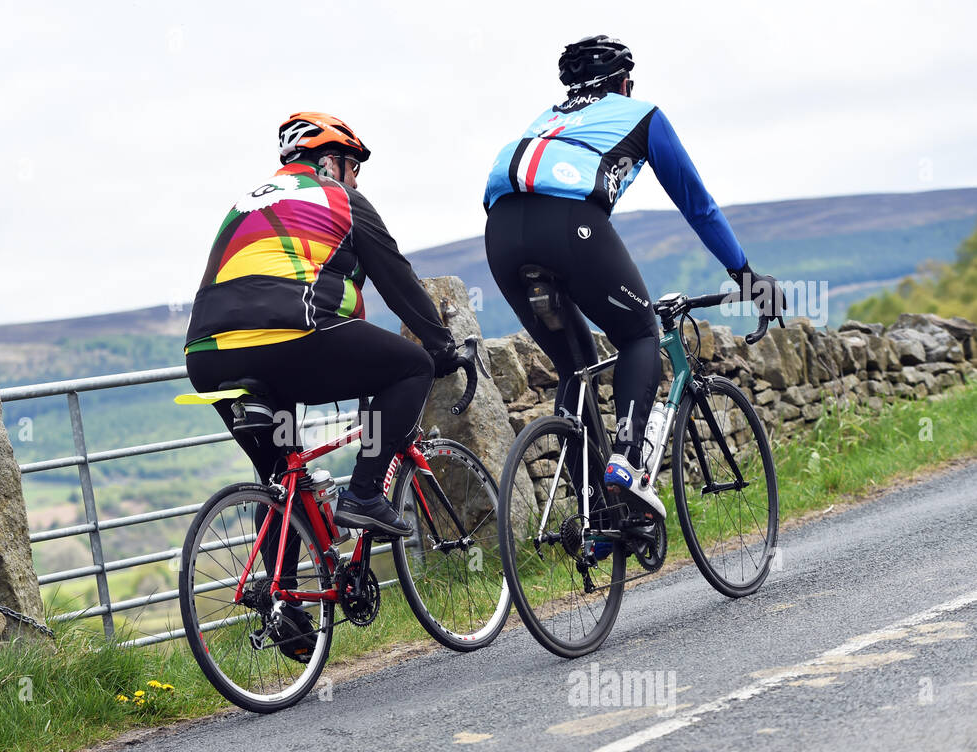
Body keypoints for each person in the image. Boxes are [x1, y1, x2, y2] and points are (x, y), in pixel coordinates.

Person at [185, 113, 460, 658]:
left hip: (209, 356)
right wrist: (442, 347)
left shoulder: (247, 202)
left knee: (278, 475)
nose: (356, 179)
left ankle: (287, 607)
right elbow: (397, 279)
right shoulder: (339, 197)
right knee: (409, 367)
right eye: (353, 167)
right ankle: (363, 494)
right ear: (330, 162)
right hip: (292, 340)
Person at [482, 35, 784, 519]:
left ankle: (597, 515)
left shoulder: (547, 121)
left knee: (575, 370)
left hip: (500, 236)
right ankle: (626, 460)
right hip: (568, 226)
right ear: (624, 83)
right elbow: (698, 206)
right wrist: (745, 276)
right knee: (641, 334)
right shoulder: (642, 114)